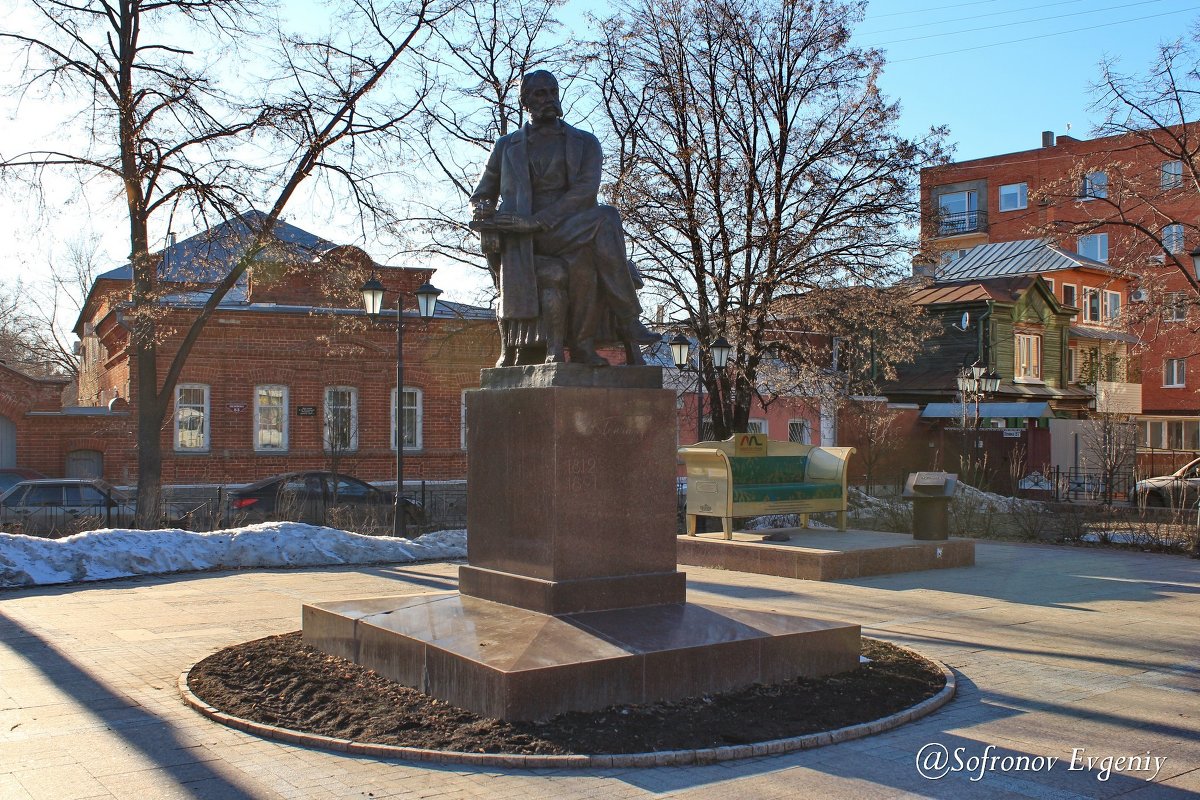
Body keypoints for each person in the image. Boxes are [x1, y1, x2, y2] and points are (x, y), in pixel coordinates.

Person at [470, 70, 659, 366]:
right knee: (603, 224)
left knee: (593, 245)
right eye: (539, 94)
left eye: (552, 92)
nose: (548, 99)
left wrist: (538, 220)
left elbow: (585, 192)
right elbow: (482, 193)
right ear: (525, 102)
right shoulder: (506, 146)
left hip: (570, 228)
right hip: (525, 240)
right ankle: (628, 317)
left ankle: (585, 344)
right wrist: (481, 212)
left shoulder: (585, 142)